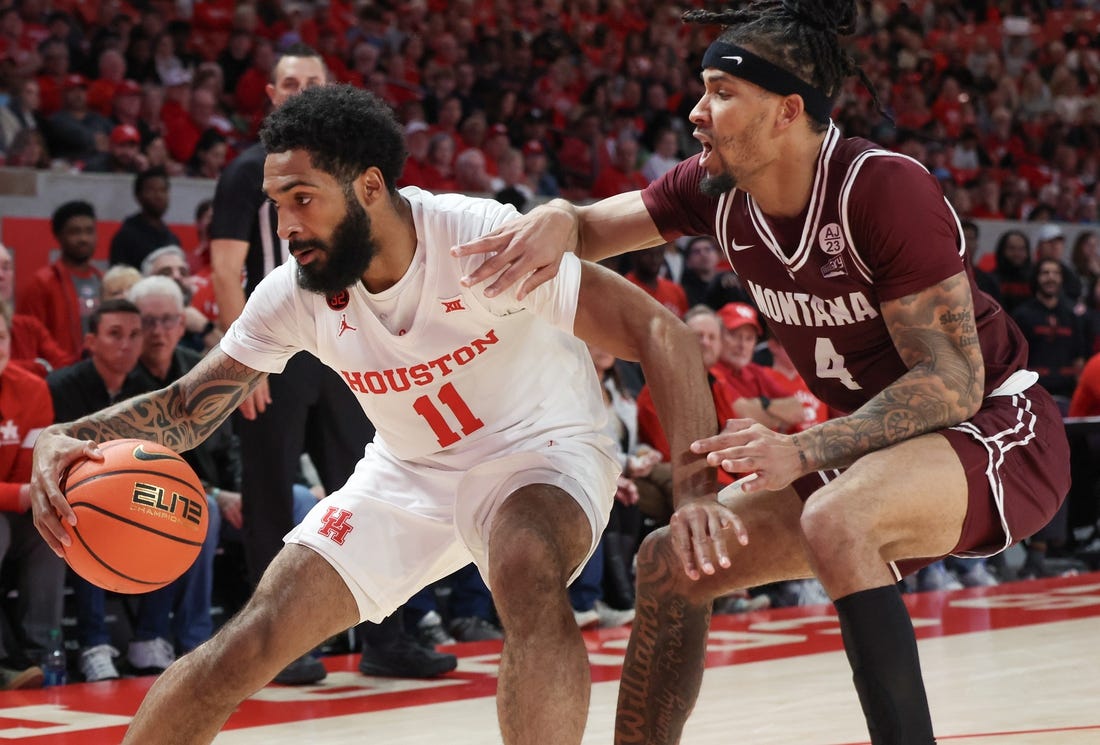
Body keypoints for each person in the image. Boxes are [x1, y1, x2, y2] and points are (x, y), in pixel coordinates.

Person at [452, 3, 1070, 743]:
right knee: (669, 562)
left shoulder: (880, 188)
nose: (695, 111)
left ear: (787, 110)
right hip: (869, 450)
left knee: (838, 517)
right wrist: (557, 213)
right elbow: (585, 227)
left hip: (997, 430)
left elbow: (950, 382)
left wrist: (807, 448)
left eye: (719, 91)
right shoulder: (715, 189)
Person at [29, 85, 718, 745]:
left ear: (368, 187)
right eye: (277, 202)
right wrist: (72, 437)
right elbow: (188, 407)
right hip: (407, 471)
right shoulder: (295, 292)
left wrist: (692, 497)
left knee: (523, 566)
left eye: (303, 199)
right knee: (252, 636)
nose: (287, 225)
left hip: (542, 450)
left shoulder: (478, 240)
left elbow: (664, 335)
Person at [208, 43, 437, 686]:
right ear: (273, 96)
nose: (301, 89)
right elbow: (228, 267)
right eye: (290, 82)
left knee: (369, 483)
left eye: (313, 81)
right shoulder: (247, 173)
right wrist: (244, 360)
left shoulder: (350, 172)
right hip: (278, 344)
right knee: (269, 488)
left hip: (345, 337)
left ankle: (388, 636)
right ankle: (276, 644)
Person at [0, 300, 64, 691]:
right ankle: (4, 661)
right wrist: (23, 494)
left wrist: (30, 496)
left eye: (1, 336)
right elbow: (25, 489)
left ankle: (42, 653)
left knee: (51, 527)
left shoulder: (31, 389)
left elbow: (31, 474)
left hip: (7, 507)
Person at [18, 200, 102, 361]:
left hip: (99, 376)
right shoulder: (41, 284)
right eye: (75, 232)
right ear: (58, 236)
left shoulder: (103, 281)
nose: (83, 238)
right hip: (59, 378)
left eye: (89, 231)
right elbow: (28, 341)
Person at [0, 242, 75, 377]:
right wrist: (40, 366)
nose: (1, 275)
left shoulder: (30, 327)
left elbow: (66, 368)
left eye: (6, 268)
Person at [108, 166, 182, 271]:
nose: (159, 195)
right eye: (152, 190)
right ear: (138, 196)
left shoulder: (172, 239)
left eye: (163, 190)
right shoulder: (126, 237)